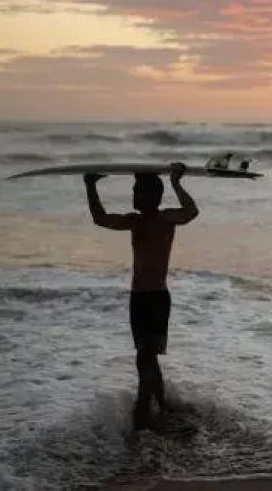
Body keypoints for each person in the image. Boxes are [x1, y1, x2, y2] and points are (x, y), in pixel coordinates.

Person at [83, 163, 199, 430]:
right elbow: (100, 218)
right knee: (147, 356)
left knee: (144, 356)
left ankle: (143, 411)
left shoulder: (165, 219)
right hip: (138, 298)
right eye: (134, 188)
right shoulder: (134, 222)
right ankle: (162, 403)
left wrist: (176, 182)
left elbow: (191, 212)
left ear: (151, 195)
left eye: (137, 189)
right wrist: (90, 186)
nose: (133, 193)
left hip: (157, 297)